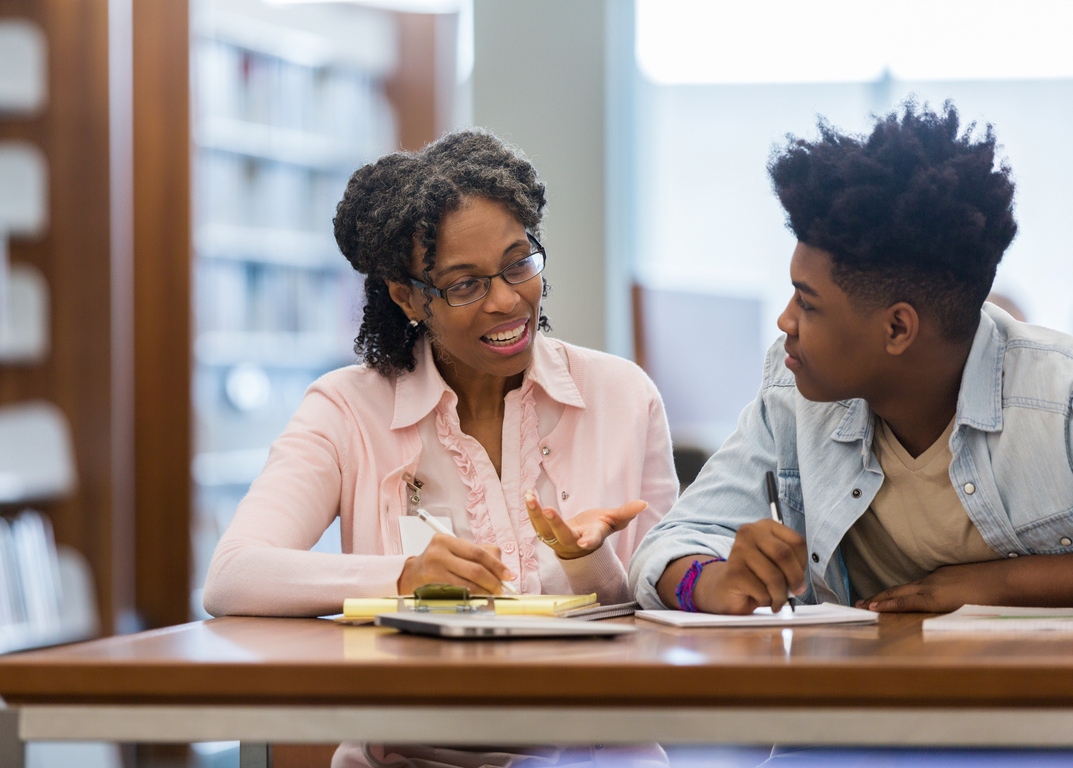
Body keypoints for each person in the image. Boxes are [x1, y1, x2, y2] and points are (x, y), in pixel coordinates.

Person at [203, 129, 677, 767]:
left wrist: (587, 561)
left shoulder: (622, 395)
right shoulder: (347, 409)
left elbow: (660, 617)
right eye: (464, 284)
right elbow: (234, 575)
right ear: (408, 297)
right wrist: (403, 578)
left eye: (519, 262)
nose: (507, 299)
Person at [631, 99, 1073, 616]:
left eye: (808, 302)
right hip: (865, 691)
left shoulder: (1056, 399)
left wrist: (990, 586)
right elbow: (671, 545)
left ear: (897, 328)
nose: (785, 321)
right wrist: (713, 581)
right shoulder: (793, 394)